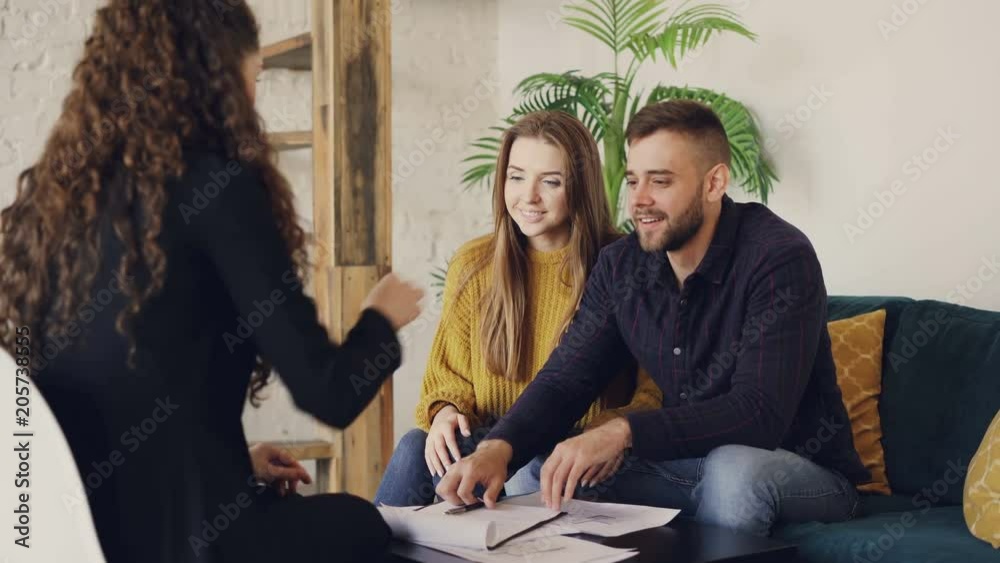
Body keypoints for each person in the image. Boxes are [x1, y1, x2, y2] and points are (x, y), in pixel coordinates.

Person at [0, 1, 423, 561]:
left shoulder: (49, 205)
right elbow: (330, 391)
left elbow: (97, 399)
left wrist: (232, 467)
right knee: (367, 524)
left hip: (73, 537)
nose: (253, 99)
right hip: (196, 544)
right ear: (220, 78)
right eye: (255, 78)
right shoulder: (218, 188)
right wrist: (381, 317)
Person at [435, 100, 871, 537]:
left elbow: (757, 413)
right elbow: (567, 378)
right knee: (549, 467)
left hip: (799, 474)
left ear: (714, 182)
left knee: (734, 469)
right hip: (682, 464)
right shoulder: (622, 265)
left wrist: (623, 431)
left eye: (659, 182)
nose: (639, 200)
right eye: (632, 181)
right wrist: (498, 448)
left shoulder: (777, 258)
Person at [374, 111, 662, 507]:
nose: (528, 196)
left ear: (580, 186)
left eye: (551, 181)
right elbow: (449, 376)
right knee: (412, 446)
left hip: (581, 455)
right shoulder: (474, 263)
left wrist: (611, 429)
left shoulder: (623, 265)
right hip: (489, 443)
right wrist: (444, 412)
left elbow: (656, 388)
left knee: (536, 465)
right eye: (516, 176)